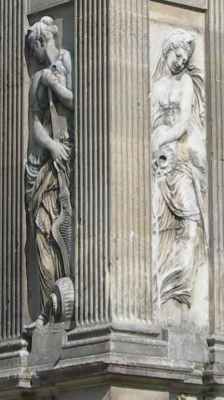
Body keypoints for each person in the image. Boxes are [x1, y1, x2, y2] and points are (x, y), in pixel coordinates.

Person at [151, 30, 207, 311]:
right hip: (161, 156)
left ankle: (180, 279)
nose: (180, 62)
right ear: (167, 51)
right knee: (160, 221)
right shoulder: (157, 85)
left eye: (184, 59)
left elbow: (184, 121)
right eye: (177, 55)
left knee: (191, 217)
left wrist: (163, 138)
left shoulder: (185, 82)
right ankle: (163, 279)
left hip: (180, 151)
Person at [24, 16, 74, 330]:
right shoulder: (41, 77)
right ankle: (48, 305)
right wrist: (53, 148)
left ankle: (53, 304)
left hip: (60, 163)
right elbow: (36, 125)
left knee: (57, 228)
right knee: (45, 230)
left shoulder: (60, 65)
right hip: (46, 163)